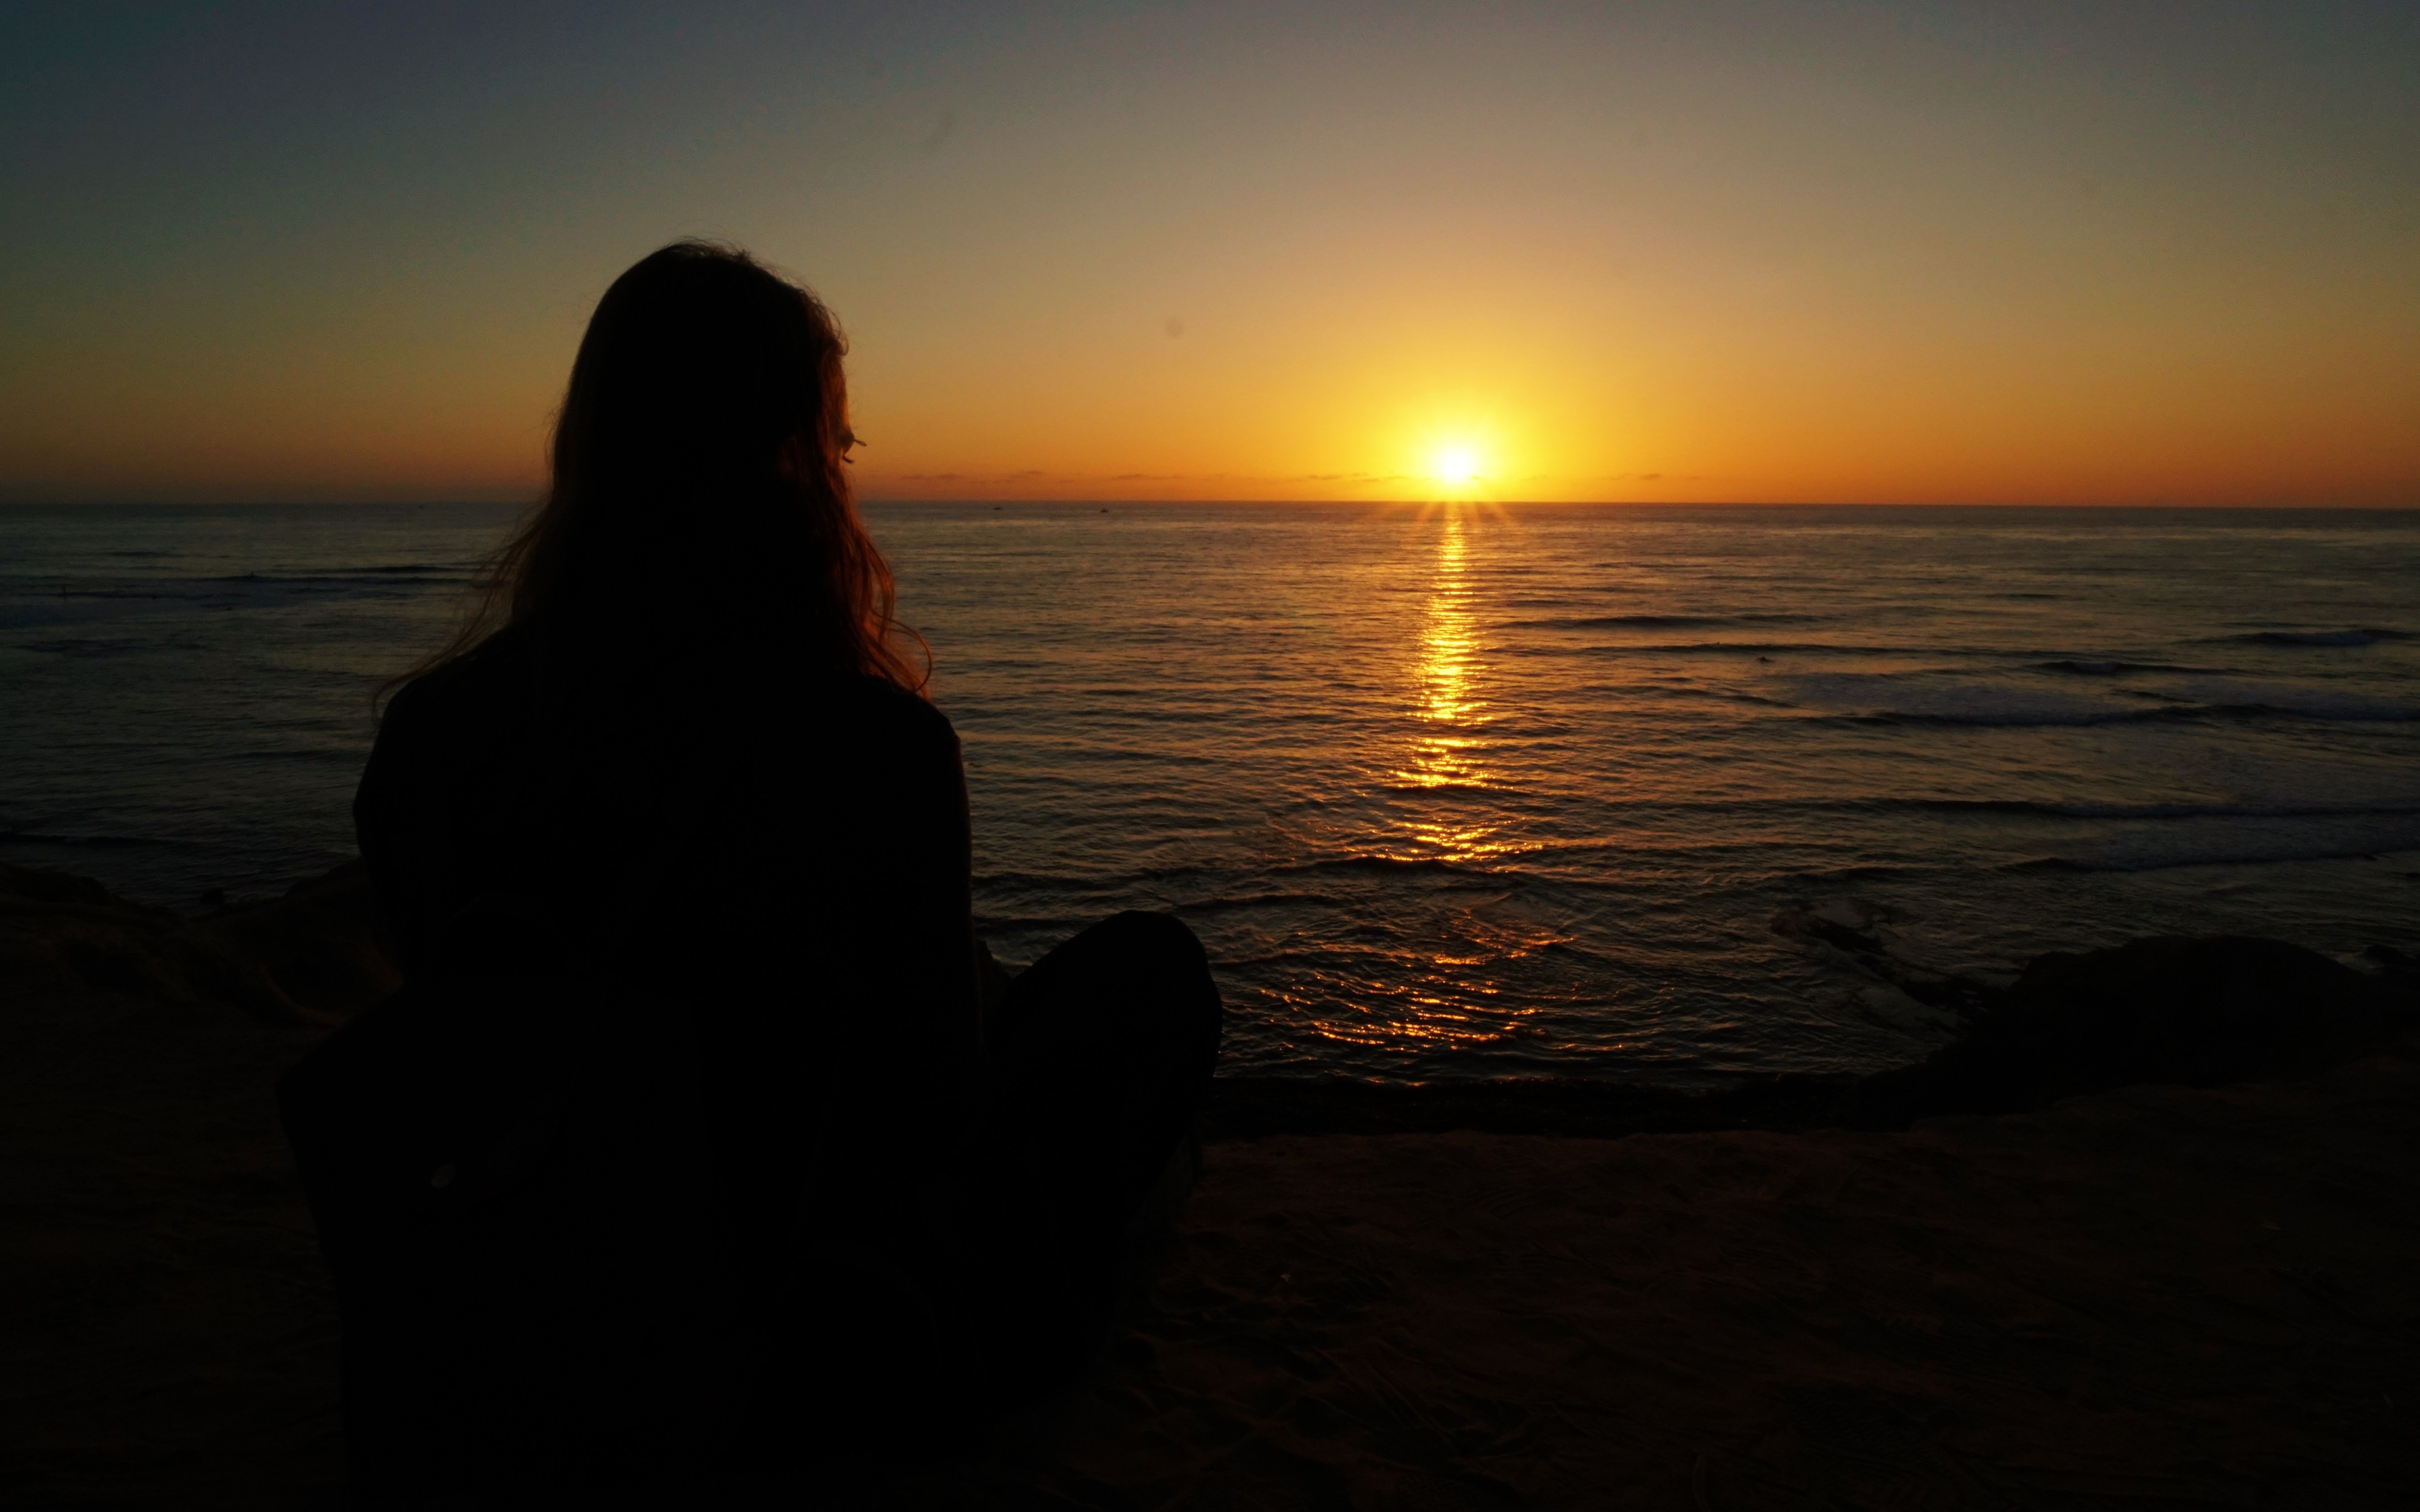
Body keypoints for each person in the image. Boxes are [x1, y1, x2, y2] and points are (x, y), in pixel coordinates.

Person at [292, 241, 1222, 1505]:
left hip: (523, 1294)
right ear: (787, 458)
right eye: (835, 445)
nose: (841, 473)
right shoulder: (870, 751)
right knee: (1144, 977)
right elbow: (930, 1116)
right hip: (788, 1353)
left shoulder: (433, 738)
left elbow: (486, 1040)